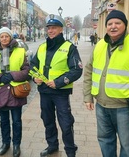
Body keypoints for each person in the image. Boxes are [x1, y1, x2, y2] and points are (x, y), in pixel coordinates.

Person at [83, 10, 129, 157]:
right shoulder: (100, 45)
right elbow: (89, 70)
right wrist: (88, 96)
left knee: (126, 146)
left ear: (125, 25)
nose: (113, 26)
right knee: (104, 140)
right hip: (101, 106)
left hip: (124, 108)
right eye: (109, 23)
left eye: (117, 23)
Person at [30, 14, 83, 157]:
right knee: (47, 120)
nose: (50, 31)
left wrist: (58, 82)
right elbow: (33, 65)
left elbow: (77, 70)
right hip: (44, 92)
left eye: (54, 28)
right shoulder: (42, 47)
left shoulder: (69, 47)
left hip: (60, 93)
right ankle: (52, 145)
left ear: (61, 29)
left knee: (66, 123)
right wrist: (35, 78)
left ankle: (70, 150)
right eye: (49, 28)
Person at [0, 27, 30, 157]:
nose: (4, 39)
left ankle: (16, 145)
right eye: (1, 36)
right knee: (4, 121)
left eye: (6, 36)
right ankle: (5, 143)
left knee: (16, 121)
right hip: (0, 91)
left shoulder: (20, 51)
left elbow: (27, 70)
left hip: (16, 92)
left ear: (10, 37)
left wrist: (13, 76)